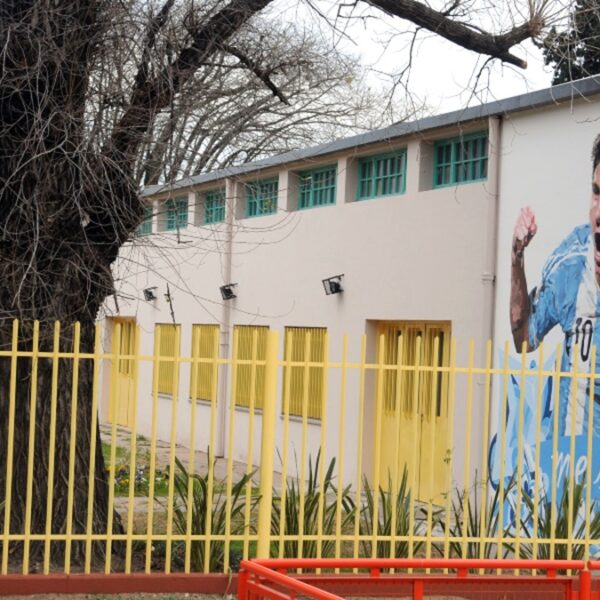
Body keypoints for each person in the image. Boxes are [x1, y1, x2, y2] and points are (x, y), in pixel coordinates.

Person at [510, 134, 600, 437]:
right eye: (597, 192)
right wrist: (516, 256)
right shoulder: (571, 262)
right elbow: (524, 339)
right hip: (572, 455)